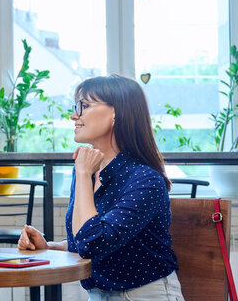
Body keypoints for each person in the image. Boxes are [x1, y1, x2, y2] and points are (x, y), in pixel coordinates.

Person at [18, 74, 185, 300]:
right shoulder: (88, 169)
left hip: (144, 295)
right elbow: (86, 238)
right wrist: (50, 246)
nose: (73, 115)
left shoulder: (145, 179)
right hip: (99, 295)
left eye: (84, 106)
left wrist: (84, 173)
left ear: (116, 112)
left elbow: (93, 244)